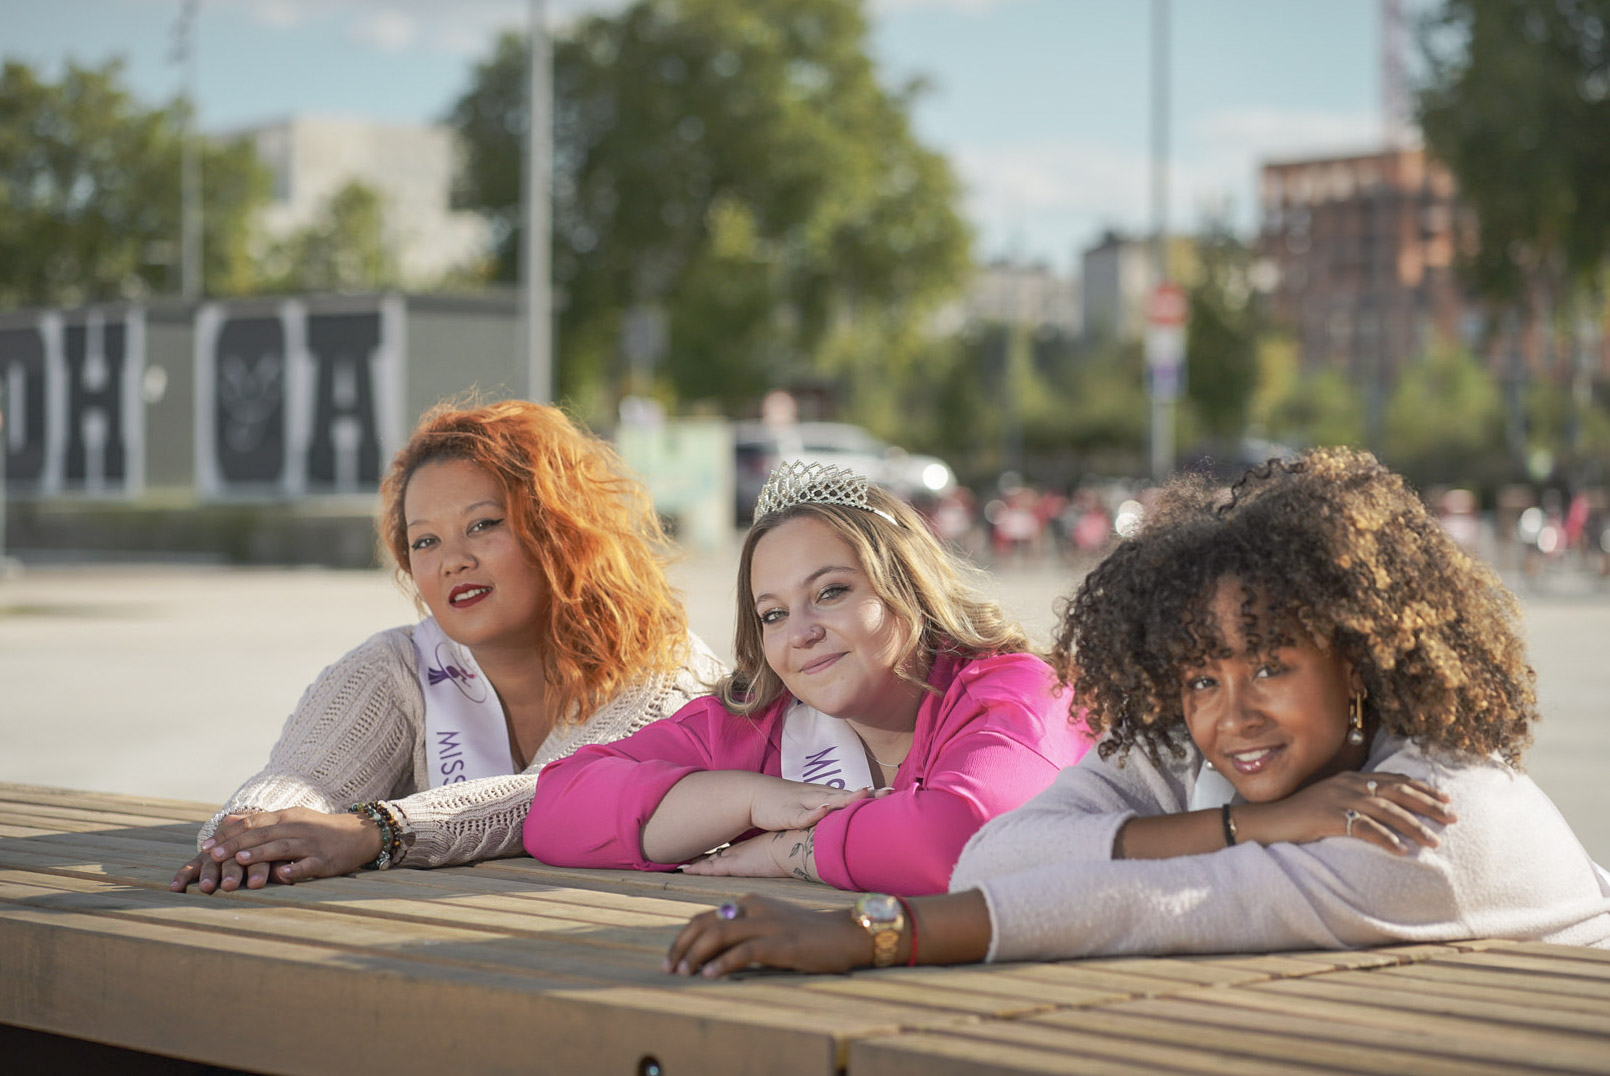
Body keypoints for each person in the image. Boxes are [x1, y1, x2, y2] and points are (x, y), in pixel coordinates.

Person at [663, 448, 1610, 975]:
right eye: (1200, 678)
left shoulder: (1432, 813)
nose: (1233, 715)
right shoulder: (1199, 753)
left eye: (1271, 666)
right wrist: (1244, 823)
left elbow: (1157, 906)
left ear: (1355, 659)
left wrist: (871, 933)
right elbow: (995, 857)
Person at [171, 400, 725, 894]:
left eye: (482, 525)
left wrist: (381, 832)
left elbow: (556, 800)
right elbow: (304, 777)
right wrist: (246, 836)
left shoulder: (667, 677)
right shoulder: (396, 666)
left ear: (559, 531)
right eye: (426, 541)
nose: (452, 561)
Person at [526, 460, 1094, 895]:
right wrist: (751, 799)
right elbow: (556, 808)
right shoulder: (754, 724)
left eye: (831, 592)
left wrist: (790, 853)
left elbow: (966, 838)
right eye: (773, 615)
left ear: (910, 588)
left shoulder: (1019, 690)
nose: (800, 633)